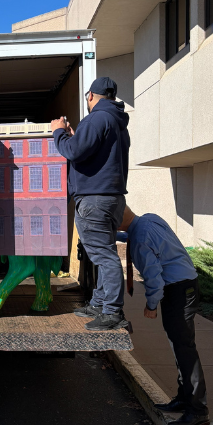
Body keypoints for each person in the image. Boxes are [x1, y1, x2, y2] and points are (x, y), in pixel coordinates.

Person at [53, 76, 132, 331]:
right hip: (110, 197)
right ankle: (99, 303)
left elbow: (73, 152)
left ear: (90, 96)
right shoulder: (116, 122)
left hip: (95, 199)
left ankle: (112, 312)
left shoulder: (97, 118)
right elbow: (90, 151)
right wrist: (77, 137)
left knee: (104, 255)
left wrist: (58, 131)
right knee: (101, 253)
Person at [120, 208, 207, 425]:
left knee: (185, 348)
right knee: (178, 344)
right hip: (185, 285)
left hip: (177, 291)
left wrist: (151, 304)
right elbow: (135, 236)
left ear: (118, 220)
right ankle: (184, 398)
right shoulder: (149, 219)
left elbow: (153, 278)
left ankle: (198, 410)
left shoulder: (139, 240)